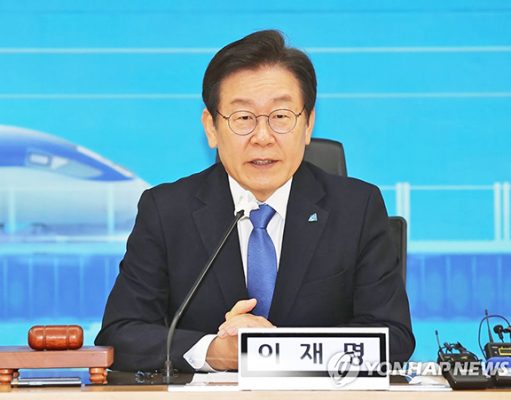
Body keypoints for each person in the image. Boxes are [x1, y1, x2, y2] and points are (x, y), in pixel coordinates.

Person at [95, 30, 415, 372]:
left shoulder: (357, 208)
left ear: (308, 124)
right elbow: (120, 335)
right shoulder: (167, 211)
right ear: (211, 128)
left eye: (281, 116)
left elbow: (392, 337)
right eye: (243, 118)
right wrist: (214, 351)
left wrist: (267, 351)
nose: (262, 137)